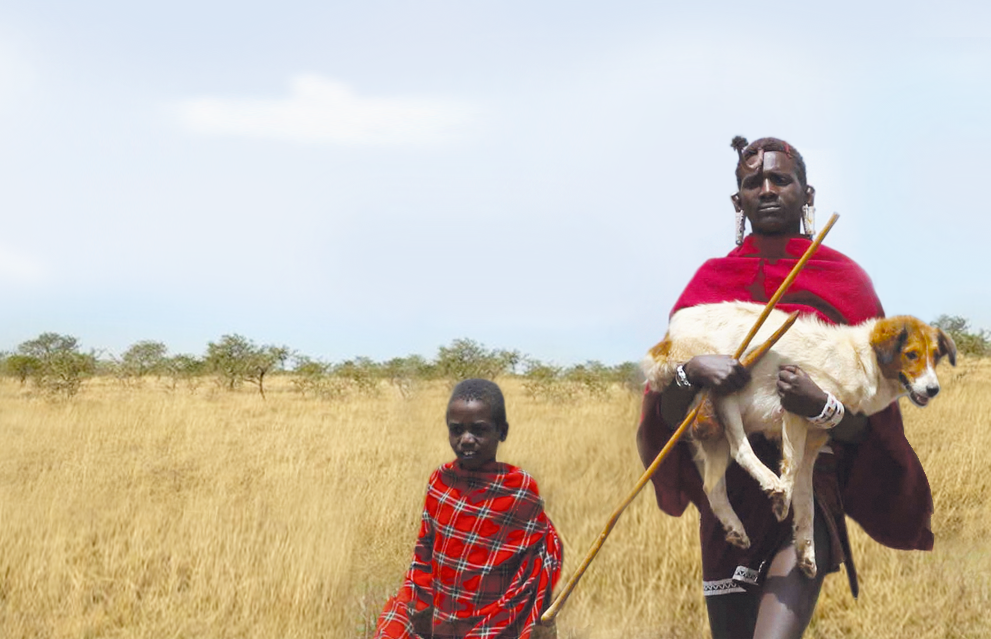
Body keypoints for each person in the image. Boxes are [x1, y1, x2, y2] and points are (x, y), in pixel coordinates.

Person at [635, 136, 935, 639]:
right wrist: (695, 372)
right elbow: (666, 409)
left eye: (781, 179)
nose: (768, 189)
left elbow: (873, 426)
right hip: (729, 492)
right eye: (754, 182)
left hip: (808, 487)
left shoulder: (845, 282)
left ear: (806, 192)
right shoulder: (709, 284)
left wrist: (824, 408)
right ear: (739, 201)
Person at [373, 379, 564, 639]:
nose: (466, 440)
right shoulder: (440, 483)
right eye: (456, 430)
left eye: (478, 430)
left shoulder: (518, 490)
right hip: (441, 613)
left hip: (495, 619)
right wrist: (418, 599)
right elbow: (425, 546)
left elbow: (541, 556)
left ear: (502, 431)